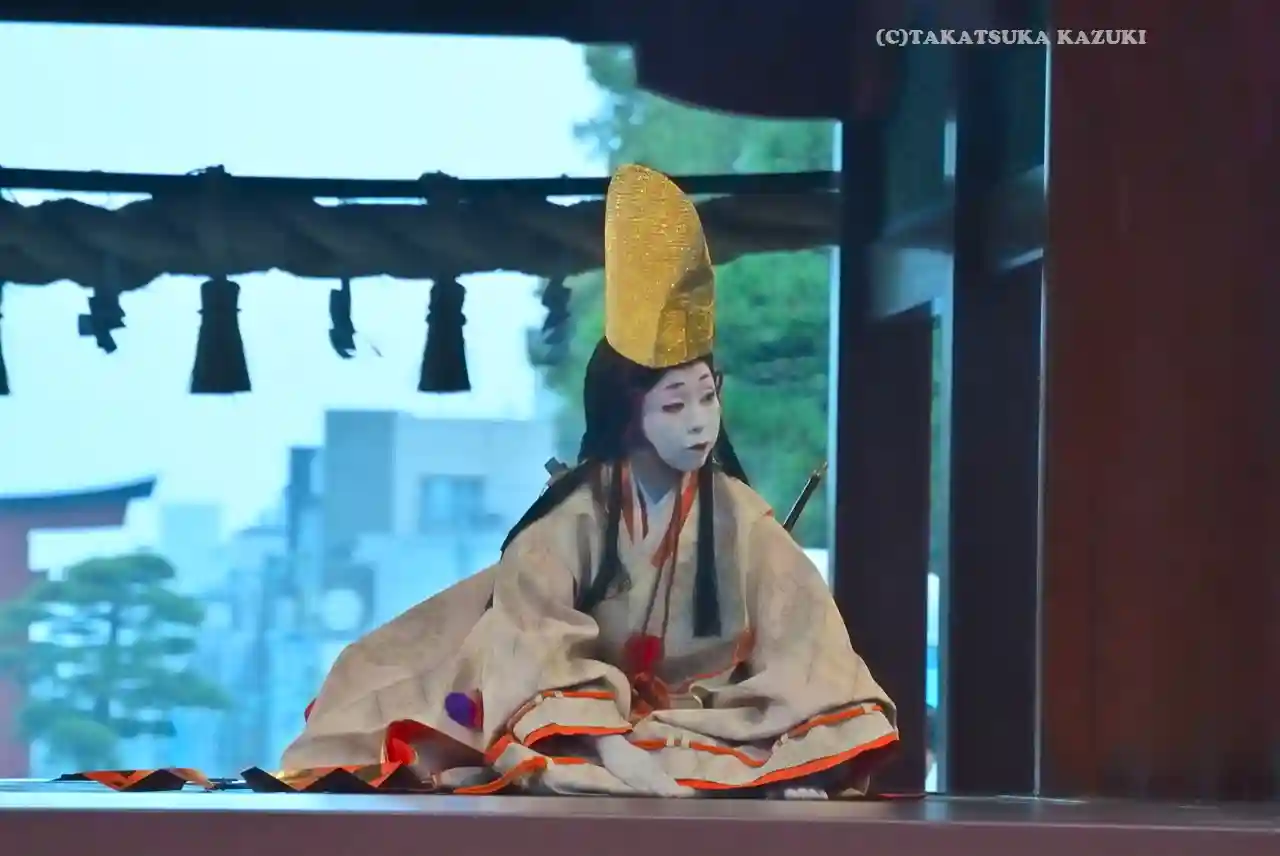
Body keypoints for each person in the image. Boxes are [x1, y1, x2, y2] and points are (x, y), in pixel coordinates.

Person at [281, 164, 899, 798]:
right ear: (628, 413)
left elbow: (806, 635)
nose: (698, 423)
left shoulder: (738, 517)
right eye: (674, 404)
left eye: (707, 397)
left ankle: (740, 766)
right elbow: (532, 634)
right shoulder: (573, 516)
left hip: (699, 722)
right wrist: (612, 746)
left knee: (792, 732)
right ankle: (604, 752)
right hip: (573, 720)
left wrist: (798, 743)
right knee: (489, 689)